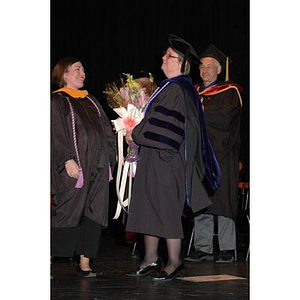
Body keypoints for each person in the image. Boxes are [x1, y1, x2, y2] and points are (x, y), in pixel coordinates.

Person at [125, 34, 212, 281]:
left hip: (165, 159)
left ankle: (175, 261)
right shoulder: (172, 87)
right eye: (165, 54)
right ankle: (150, 259)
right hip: (155, 157)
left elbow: (164, 129)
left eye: (169, 55)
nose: (163, 58)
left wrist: (135, 133)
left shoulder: (176, 89)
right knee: (148, 207)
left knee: (166, 209)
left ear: (183, 63)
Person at [51, 57, 117, 277]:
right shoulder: (57, 101)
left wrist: (111, 155)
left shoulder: (91, 99)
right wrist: (66, 158)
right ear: (64, 75)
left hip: (98, 164)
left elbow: (105, 129)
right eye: (77, 70)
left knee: (95, 211)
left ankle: (85, 262)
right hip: (75, 166)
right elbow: (56, 133)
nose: (83, 73)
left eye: (83, 70)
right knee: (67, 211)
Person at [185, 44, 243, 263]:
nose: (205, 70)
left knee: (223, 200)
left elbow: (226, 118)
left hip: (222, 154)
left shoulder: (230, 91)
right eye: (202, 66)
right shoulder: (193, 91)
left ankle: (227, 249)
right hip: (199, 156)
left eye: (210, 66)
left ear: (219, 70)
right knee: (202, 200)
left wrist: (199, 110)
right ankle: (203, 248)